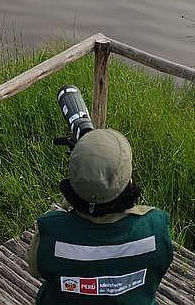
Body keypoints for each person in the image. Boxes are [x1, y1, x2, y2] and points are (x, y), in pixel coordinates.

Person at [27, 128, 173, 304]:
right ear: (128, 180)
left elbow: (35, 270)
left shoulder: (51, 230)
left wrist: (69, 201)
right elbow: (161, 266)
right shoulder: (155, 226)